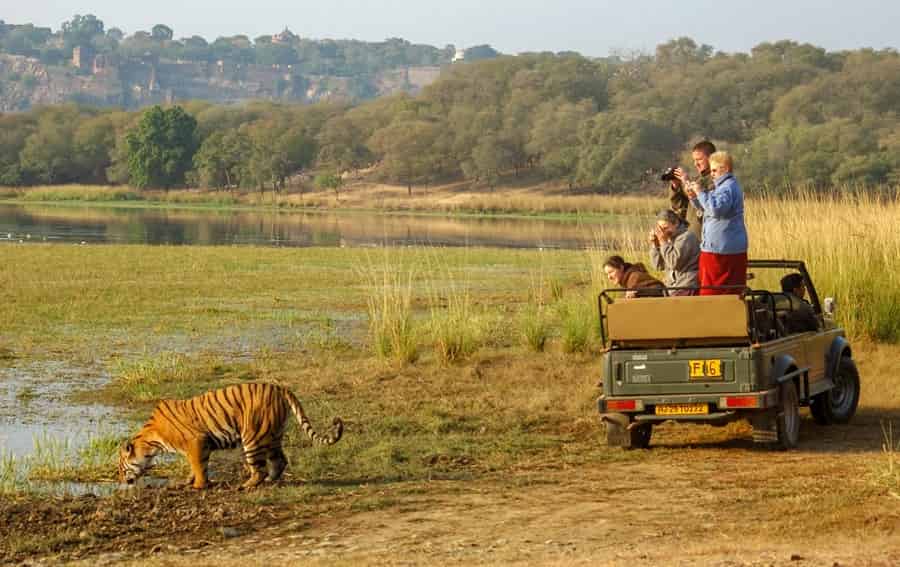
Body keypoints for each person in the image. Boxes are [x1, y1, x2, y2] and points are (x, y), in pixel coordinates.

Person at [684, 151, 748, 296]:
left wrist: (700, 192)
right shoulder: (723, 187)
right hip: (722, 248)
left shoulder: (727, 188)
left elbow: (716, 209)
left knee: (713, 292)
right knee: (724, 290)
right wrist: (694, 197)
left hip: (721, 251)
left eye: (714, 170)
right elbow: (706, 209)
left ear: (724, 169)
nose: (711, 174)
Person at [669, 140, 716, 241]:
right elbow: (679, 206)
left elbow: (706, 204)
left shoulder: (717, 181)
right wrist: (676, 186)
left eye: (699, 159)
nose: (696, 164)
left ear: (711, 159)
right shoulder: (696, 180)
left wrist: (686, 181)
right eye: (694, 160)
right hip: (692, 237)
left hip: (707, 238)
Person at [649, 209, 700, 295]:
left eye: (665, 228)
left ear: (676, 224)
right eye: (660, 229)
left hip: (687, 286)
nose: (662, 232)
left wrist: (663, 242)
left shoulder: (687, 237)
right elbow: (658, 266)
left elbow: (673, 262)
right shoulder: (668, 238)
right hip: (672, 287)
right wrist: (655, 246)